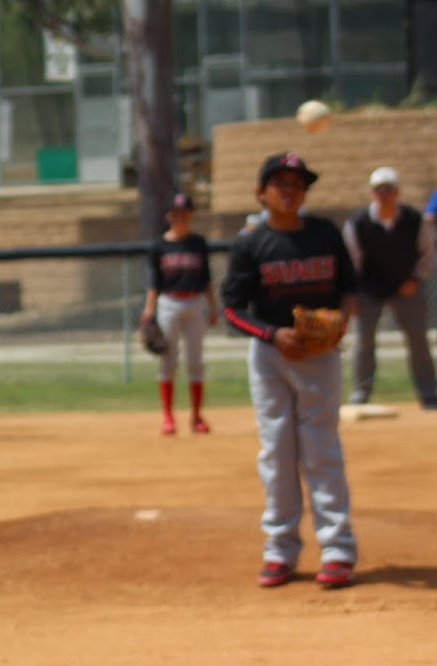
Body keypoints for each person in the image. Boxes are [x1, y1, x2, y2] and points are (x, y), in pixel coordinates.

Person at [220, 152, 358, 590]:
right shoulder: (251, 243)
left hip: (320, 356)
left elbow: (349, 290)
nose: (289, 189)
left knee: (321, 449)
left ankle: (337, 550)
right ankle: (279, 549)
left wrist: (339, 329)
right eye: (279, 182)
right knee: (277, 453)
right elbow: (232, 310)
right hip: (271, 357)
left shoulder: (324, 234)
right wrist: (272, 334)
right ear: (261, 192)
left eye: (297, 182)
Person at [342, 167, 436, 409]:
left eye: (389, 189)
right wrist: (352, 294)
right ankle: (361, 393)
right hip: (369, 289)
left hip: (407, 286)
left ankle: (429, 395)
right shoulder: (358, 223)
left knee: (418, 341)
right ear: (372, 193)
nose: (384, 194)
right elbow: (352, 262)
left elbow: (428, 254)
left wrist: (415, 279)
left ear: (397, 192)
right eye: (379, 189)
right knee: (364, 342)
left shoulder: (414, 220)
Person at [142, 192, 217, 435]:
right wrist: (149, 311)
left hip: (194, 302)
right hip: (169, 303)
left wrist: (214, 307)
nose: (179, 217)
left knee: (196, 363)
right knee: (168, 361)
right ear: (168, 215)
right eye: (175, 213)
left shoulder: (198, 244)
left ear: (191, 215)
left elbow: (206, 279)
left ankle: (196, 416)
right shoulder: (159, 246)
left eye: (184, 213)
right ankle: (168, 417)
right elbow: (154, 282)